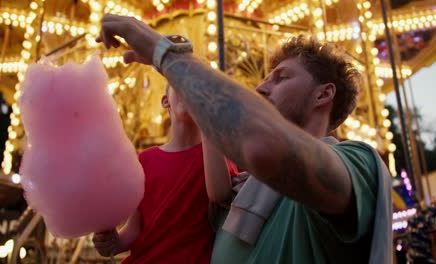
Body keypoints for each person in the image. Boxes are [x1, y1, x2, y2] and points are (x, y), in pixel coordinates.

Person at [96, 14, 393, 263]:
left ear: (323, 94)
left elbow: (264, 145)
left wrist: (167, 55)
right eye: (265, 78)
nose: (262, 87)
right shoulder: (248, 189)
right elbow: (218, 193)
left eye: (281, 78)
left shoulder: (357, 163)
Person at [92, 85, 237, 264]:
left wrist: (207, 117)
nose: (189, 91)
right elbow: (136, 227)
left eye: (196, 87)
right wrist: (115, 242)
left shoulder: (215, 157)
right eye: (180, 84)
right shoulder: (145, 159)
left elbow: (222, 194)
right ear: (166, 101)